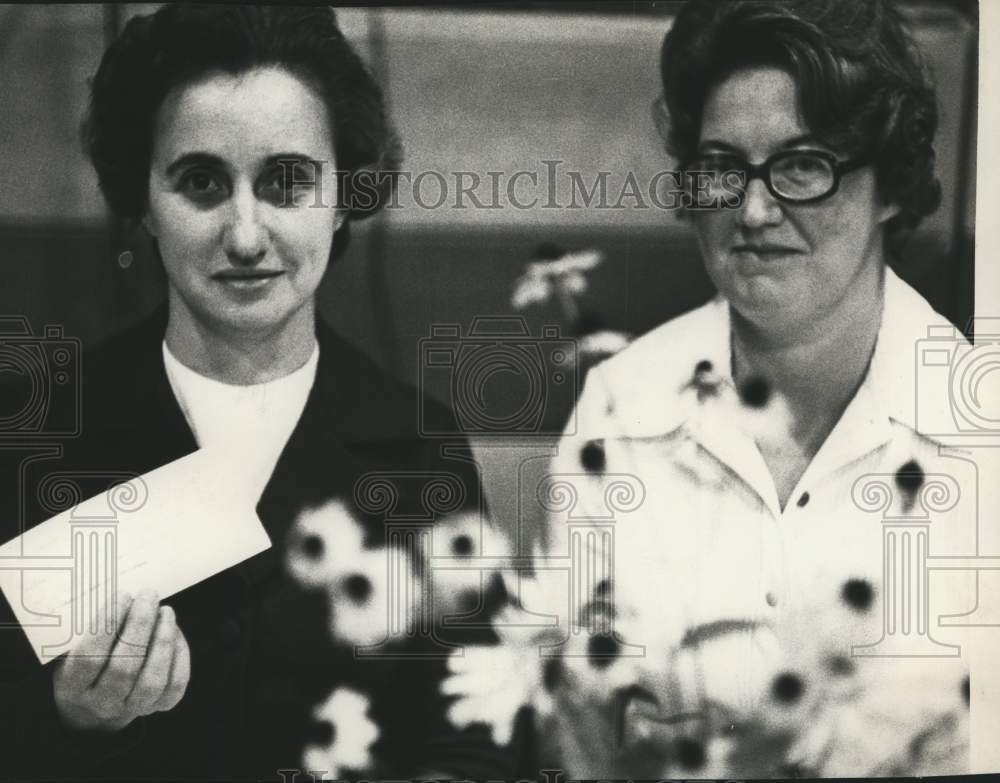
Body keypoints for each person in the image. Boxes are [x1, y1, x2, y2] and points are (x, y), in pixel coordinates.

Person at [0, 5, 513, 779]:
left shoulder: (416, 448)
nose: (245, 234)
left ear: (346, 196)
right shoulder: (40, 433)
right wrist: (75, 717)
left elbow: (479, 731)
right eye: (201, 182)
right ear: (140, 198)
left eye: (286, 181)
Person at [542, 0, 976, 776]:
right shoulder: (618, 412)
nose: (752, 208)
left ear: (891, 188)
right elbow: (580, 736)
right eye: (720, 170)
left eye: (803, 164)